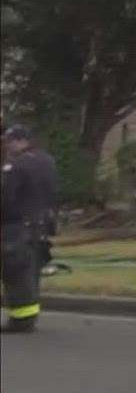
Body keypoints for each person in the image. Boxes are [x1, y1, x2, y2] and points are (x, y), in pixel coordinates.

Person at [1, 124, 59, 333]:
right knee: (31, 271)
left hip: (18, 226)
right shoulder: (47, 161)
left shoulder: (18, 166)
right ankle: (29, 316)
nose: (7, 146)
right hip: (42, 226)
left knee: (16, 273)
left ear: (20, 141)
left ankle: (20, 320)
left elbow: (7, 197)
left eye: (9, 141)